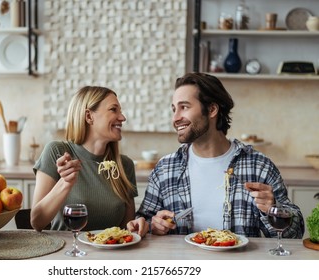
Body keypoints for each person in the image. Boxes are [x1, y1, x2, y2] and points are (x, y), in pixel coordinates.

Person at [127, 72, 304, 238]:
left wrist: (273, 209)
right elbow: (143, 221)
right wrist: (153, 225)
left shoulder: (258, 166)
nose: (175, 118)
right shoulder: (165, 169)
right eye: (174, 109)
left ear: (212, 110)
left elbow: (295, 233)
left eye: (184, 107)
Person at [31, 86, 147, 235]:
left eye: (121, 111)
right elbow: (36, 222)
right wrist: (65, 184)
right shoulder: (57, 152)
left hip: (109, 255)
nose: (122, 117)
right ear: (89, 116)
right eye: (113, 110)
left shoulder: (125, 165)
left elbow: (126, 230)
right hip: (66, 253)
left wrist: (136, 226)